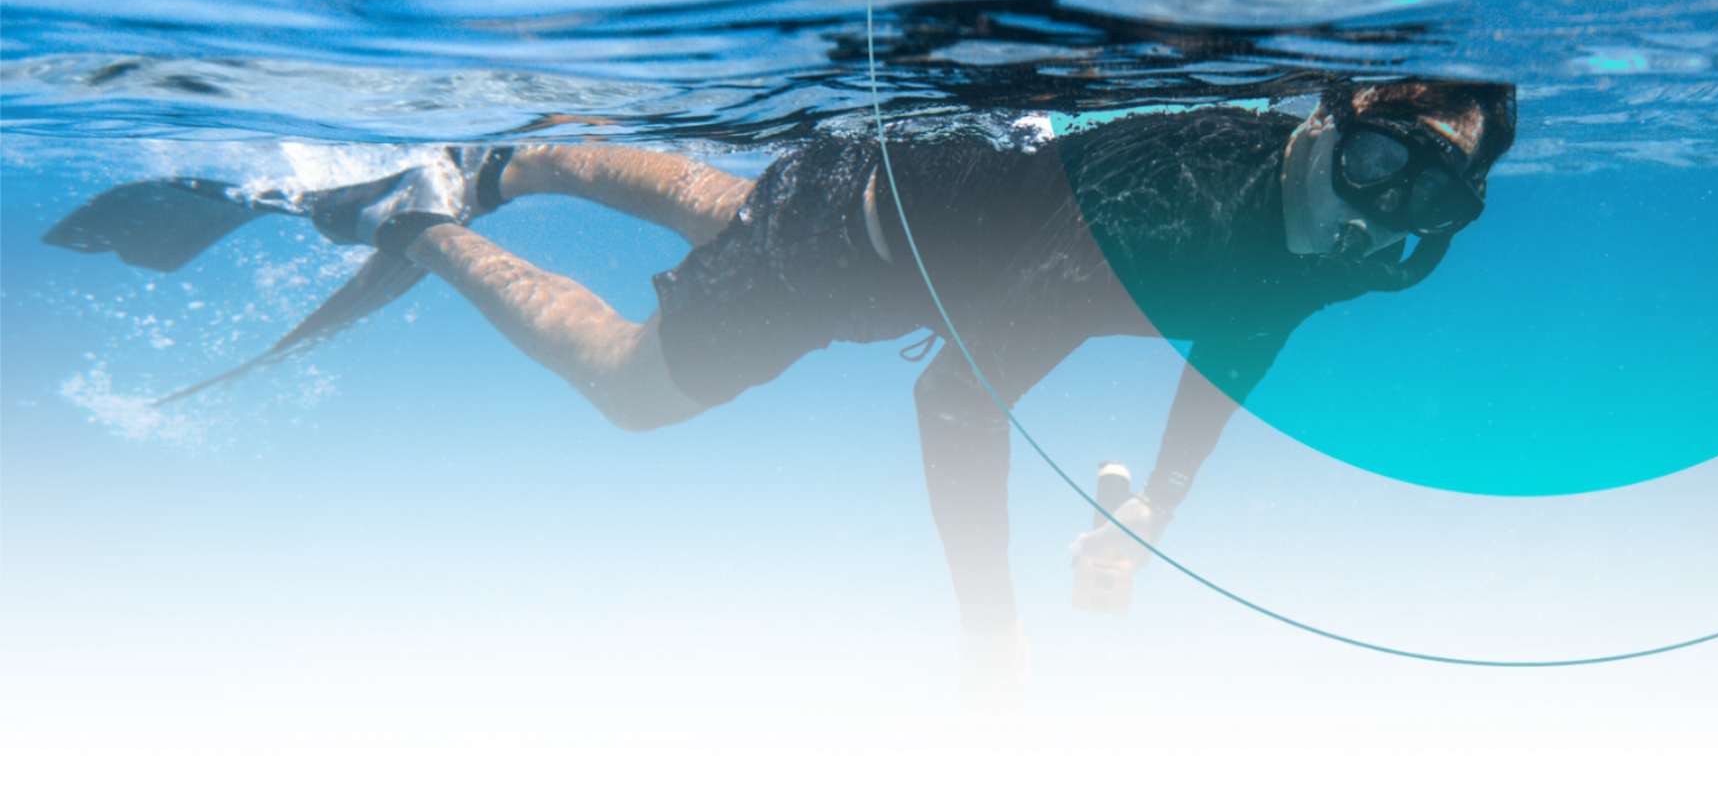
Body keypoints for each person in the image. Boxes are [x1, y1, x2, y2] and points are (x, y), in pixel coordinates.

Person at [51, 78, 1516, 717]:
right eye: (1387, 158)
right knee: (633, 386)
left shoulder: (1355, 256)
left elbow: (1238, 350)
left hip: (860, 185)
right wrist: (991, 621)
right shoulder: (1188, 209)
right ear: (1336, 110)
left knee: (722, 199)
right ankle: (415, 219)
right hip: (851, 250)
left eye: (1438, 199)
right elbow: (956, 401)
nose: (1394, 211)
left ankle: (500, 162)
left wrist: (1159, 509)